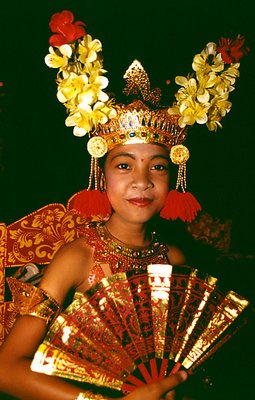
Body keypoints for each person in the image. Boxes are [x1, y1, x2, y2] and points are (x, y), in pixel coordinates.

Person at [0, 9, 249, 400]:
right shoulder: (78, 259)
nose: (142, 181)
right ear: (101, 174)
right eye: (123, 165)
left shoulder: (174, 261)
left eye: (158, 167)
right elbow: (6, 370)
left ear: (175, 177)